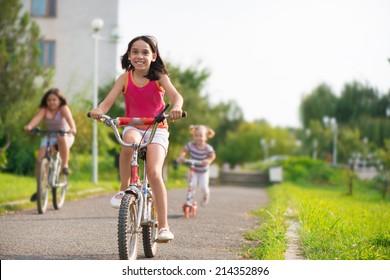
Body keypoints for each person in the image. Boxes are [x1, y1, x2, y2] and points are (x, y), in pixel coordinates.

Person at [89, 35, 184, 242]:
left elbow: (177, 97)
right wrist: (98, 110)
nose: (139, 56)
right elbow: (106, 103)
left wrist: (176, 107)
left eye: (145, 52)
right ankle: (124, 189)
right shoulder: (124, 78)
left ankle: (164, 227)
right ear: (129, 55)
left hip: (157, 128)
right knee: (128, 143)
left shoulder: (159, 77)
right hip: (133, 126)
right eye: (135, 52)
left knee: (153, 172)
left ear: (153, 56)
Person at [24, 88, 77, 201]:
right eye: (49, 100)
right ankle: (40, 189)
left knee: (61, 137)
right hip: (50, 136)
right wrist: (29, 126)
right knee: (40, 161)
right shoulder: (44, 109)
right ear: (46, 101)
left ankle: (64, 166)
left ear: (59, 100)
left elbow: (69, 119)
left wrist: (73, 128)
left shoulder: (63, 108)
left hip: (66, 135)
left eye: (54, 99)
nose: (51, 102)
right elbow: (37, 118)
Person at [178, 125, 216, 206]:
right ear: (193, 136)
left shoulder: (207, 148)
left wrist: (208, 160)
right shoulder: (190, 145)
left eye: (201, 136)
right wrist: (182, 156)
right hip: (193, 170)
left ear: (206, 137)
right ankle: (190, 200)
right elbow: (183, 151)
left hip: (203, 171)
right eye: (196, 135)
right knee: (192, 185)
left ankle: (206, 194)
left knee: (203, 187)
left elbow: (212, 156)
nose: (198, 138)